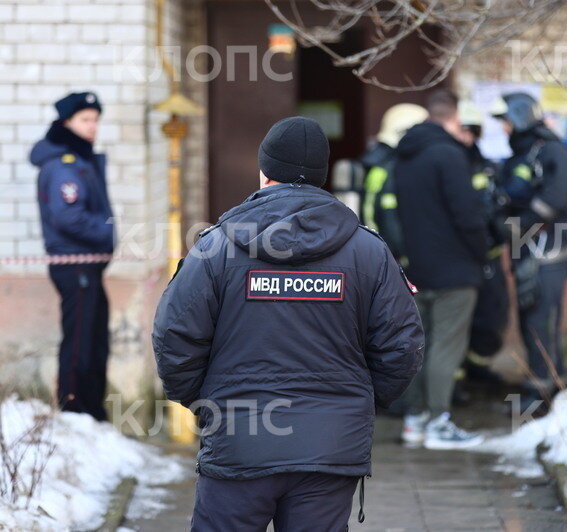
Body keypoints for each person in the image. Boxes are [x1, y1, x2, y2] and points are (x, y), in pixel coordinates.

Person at [152, 117, 424, 531]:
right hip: (330, 445)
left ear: (264, 172)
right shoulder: (368, 251)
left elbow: (175, 336)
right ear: (321, 175)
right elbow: (402, 344)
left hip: (239, 439)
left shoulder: (216, 247)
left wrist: (207, 403)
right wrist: (356, 403)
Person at [395, 89, 489, 449]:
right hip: (454, 268)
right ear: (454, 117)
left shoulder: (406, 155)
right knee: (446, 347)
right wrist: (482, 254)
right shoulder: (449, 155)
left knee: (423, 343)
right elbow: (467, 215)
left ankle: (415, 419)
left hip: (417, 266)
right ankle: (438, 422)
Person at [491, 92, 567, 415]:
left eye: (507, 121)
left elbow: (552, 201)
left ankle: (542, 394)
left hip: (550, 249)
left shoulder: (553, 151)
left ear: (522, 117)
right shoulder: (523, 154)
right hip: (528, 248)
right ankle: (554, 383)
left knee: (541, 318)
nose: (505, 129)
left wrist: (518, 226)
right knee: (531, 316)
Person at [30, 92, 114, 421]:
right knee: (80, 344)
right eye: (85, 120)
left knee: (95, 341)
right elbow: (67, 217)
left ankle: (92, 413)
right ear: (67, 123)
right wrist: (106, 232)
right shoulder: (64, 164)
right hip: (75, 264)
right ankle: (75, 412)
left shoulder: (80, 159)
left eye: (95, 120)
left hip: (88, 266)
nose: (93, 127)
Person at [456, 100, 509, 387]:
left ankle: (478, 369)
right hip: (459, 257)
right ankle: (456, 380)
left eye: (470, 131)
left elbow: (500, 208)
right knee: (459, 320)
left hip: (489, 256)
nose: (466, 137)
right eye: (461, 130)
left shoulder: (488, 168)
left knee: (493, 316)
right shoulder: (449, 166)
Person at [360, 103, 428, 260]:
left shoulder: (379, 164)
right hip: (392, 256)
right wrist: (404, 255)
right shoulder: (390, 168)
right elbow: (389, 219)